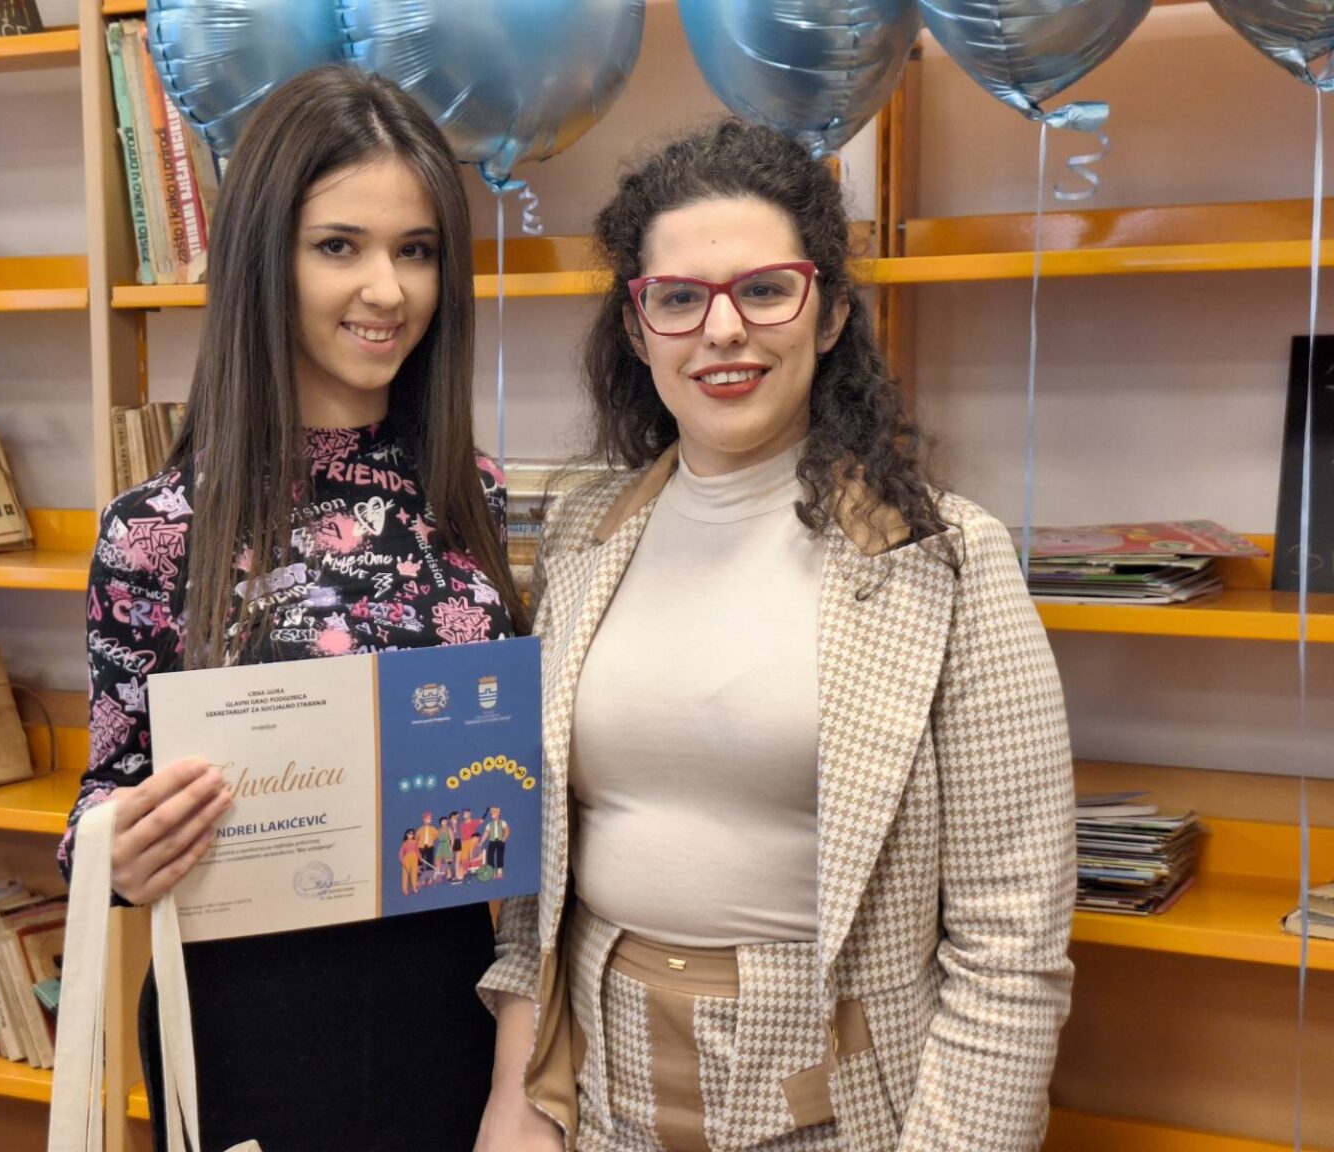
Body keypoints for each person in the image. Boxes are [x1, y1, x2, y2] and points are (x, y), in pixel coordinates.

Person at [474, 120, 1075, 1152]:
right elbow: (542, 872)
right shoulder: (579, 538)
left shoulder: (946, 559)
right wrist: (517, 1094)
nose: (723, 330)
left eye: (764, 290)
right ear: (638, 329)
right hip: (597, 1097)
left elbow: (1009, 950)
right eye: (679, 298)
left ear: (830, 312)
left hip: (849, 1108)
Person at [57, 65, 526, 1151]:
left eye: (417, 250)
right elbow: (100, 801)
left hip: (450, 1010)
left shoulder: (475, 494)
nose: (388, 290)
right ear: (265, 259)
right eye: (339, 246)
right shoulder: (156, 527)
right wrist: (114, 852)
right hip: (243, 1030)